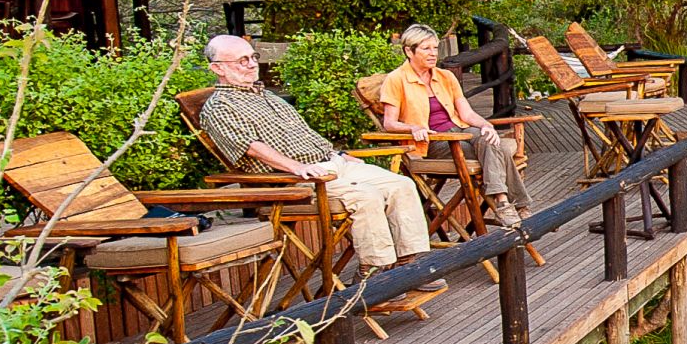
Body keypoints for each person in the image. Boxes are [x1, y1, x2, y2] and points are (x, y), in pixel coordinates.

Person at [197, 34, 430, 272]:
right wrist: (296, 167)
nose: (252, 64)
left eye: (253, 57)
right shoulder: (220, 106)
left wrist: (338, 154)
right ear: (217, 68)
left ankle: (411, 266)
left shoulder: (266, 96)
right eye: (241, 60)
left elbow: (304, 135)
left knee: (401, 185)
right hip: (292, 181)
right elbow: (252, 147)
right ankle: (373, 276)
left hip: (329, 163)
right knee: (366, 196)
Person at [377, 24, 523, 229]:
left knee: (489, 139)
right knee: (497, 148)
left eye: (435, 48)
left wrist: (486, 125)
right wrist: (412, 128)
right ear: (409, 51)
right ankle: (517, 205)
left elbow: (467, 114)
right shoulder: (396, 80)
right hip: (431, 142)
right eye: (426, 48)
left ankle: (504, 203)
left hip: (460, 131)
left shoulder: (445, 76)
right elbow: (389, 123)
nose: (433, 54)